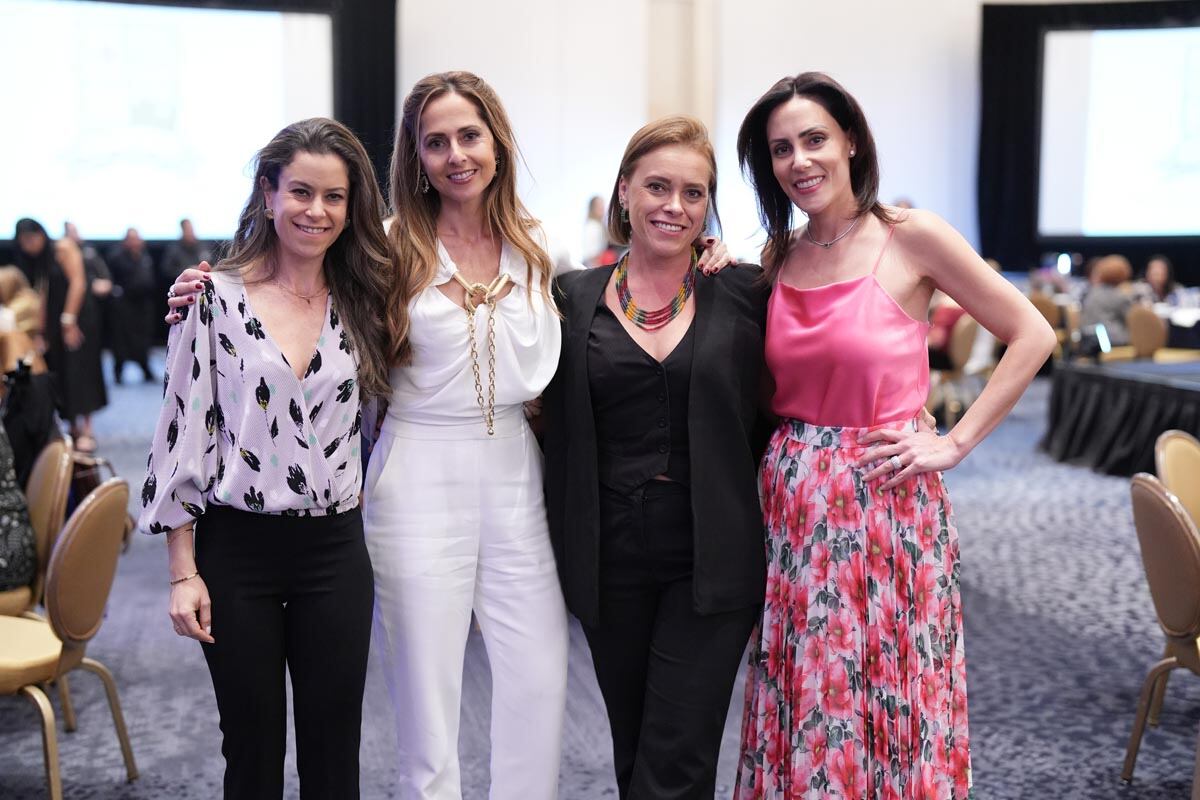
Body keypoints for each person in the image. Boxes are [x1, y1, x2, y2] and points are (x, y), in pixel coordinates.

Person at [733, 72, 1056, 799]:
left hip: (886, 502)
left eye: (814, 139)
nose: (800, 161)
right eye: (782, 149)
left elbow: (1031, 333)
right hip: (793, 507)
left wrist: (956, 442)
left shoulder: (911, 235)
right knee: (809, 686)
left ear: (850, 139)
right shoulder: (777, 257)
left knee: (887, 679)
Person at [138, 117, 393, 799]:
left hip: (335, 551)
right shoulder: (212, 297)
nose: (317, 211)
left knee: (335, 755)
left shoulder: (368, 296)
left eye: (334, 197)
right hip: (237, 552)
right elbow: (183, 434)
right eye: (301, 192)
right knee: (250, 753)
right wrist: (180, 572)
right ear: (268, 193)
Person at [543, 116, 768, 798]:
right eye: (658, 187)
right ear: (623, 193)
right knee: (636, 742)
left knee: (678, 752)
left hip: (711, 554)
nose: (675, 205)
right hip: (607, 555)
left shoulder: (745, 291)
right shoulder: (569, 300)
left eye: (693, 193)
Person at [13, 218, 107, 452]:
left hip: (78, 318)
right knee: (60, 371)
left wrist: (69, 320)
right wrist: (40, 331)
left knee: (81, 370)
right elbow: (43, 294)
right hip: (55, 322)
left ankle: (87, 430)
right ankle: (72, 427)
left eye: (30, 239)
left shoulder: (63, 247)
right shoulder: (41, 260)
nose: (27, 245)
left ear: (40, 234)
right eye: (23, 241)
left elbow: (78, 282)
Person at [106, 227, 156, 383]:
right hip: (124, 306)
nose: (135, 242)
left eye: (137, 238)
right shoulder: (116, 257)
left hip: (143, 306)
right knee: (121, 341)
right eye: (132, 239)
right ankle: (118, 371)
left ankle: (146, 369)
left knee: (143, 341)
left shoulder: (145, 257)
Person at [1079, 254, 1134, 346]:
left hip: (1087, 339)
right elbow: (1132, 317)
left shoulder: (1092, 292)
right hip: (1108, 341)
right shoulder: (1118, 296)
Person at [581, 194, 610, 266]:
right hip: (596, 267)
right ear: (593, 208)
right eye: (599, 206)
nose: (602, 208)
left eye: (603, 205)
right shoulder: (592, 226)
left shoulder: (600, 226)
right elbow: (592, 255)